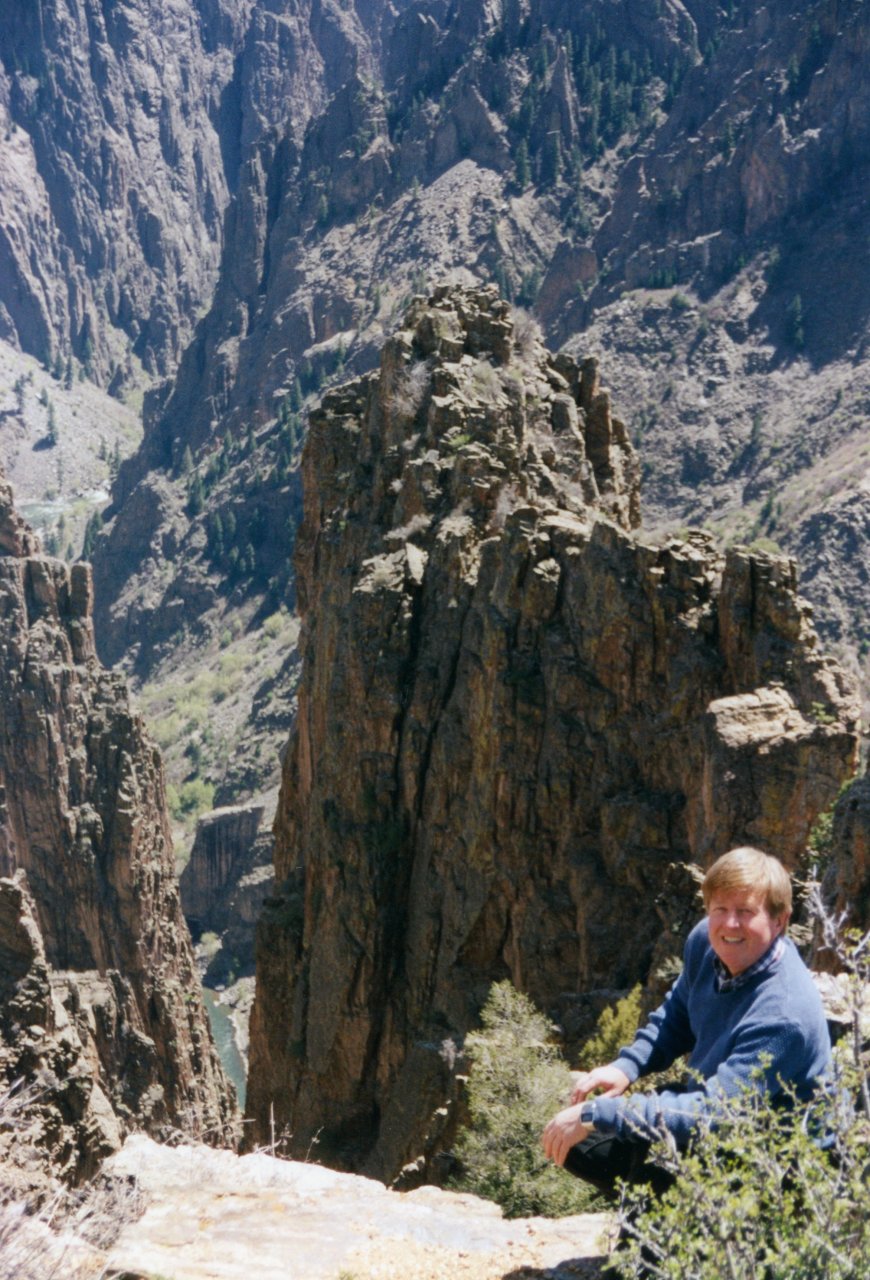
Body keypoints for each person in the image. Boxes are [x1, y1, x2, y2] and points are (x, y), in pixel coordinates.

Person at [541, 846, 833, 1197]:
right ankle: (659, 1202)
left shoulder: (784, 1016)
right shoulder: (706, 942)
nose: (730, 924)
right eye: (720, 909)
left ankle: (676, 1219)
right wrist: (627, 1066)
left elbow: (715, 1112)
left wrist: (597, 1113)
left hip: (772, 1159)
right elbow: (677, 1013)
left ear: (780, 920)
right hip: (714, 1114)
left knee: (593, 1123)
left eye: (745, 912)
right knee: (576, 1143)